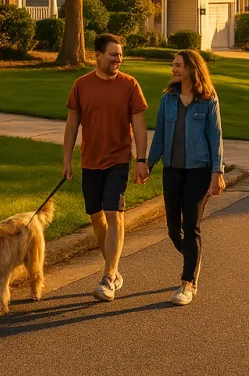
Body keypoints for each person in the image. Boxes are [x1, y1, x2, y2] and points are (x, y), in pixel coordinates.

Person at [61, 33, 149, 302]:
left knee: (113, 212)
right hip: (90, 160)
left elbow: (140, 126)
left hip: (118, 160)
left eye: (120, 55)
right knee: (96, 215)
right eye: (113, 54)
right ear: (97, 55)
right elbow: (72, 125)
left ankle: (109, 275)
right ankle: (114, 266)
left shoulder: (129, 85)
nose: (118, 59)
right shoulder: (81, 85)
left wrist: (141, 160)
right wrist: (67, 159)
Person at [148, 50, 225, 306]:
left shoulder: (208, 100)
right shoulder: (168, 99)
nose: (173, 69)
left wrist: (217, 173)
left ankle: (188, 282)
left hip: (199, 170)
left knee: (191, 225)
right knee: (173, 229)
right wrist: (147, 164)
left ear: (192, 68)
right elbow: (159, 135)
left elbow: (216, 138)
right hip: (173, 169)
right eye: (173, 65)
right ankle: (193, 257)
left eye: (178, 65)